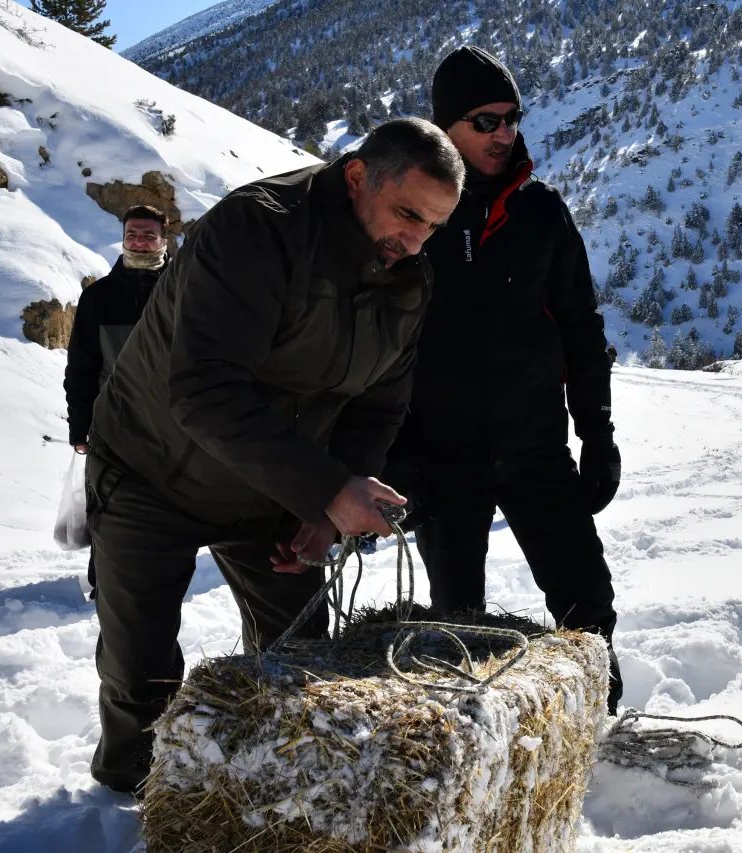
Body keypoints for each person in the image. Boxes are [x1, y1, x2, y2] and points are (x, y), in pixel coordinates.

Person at [83, 117, 464, 796]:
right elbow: (203, 390)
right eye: (407, 213)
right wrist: (325, 485)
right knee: (140, 670)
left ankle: (271, 794)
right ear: (357, 177)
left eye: (432, 226)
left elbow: (377, 405)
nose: (414, 240)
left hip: (269, 484)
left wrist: (322, 511)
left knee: (300, 656)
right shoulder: (255, 230)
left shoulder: (409, 280)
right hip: (151, 468)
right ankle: (122, 800)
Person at [383, 47, 624, 714]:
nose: (505, 134)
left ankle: (596, 734)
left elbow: (582, 331)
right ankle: (470, 765)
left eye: (512, 118)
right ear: (446, 127)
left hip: (534, 449)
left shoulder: (541, 213)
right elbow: (377, 347)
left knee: (588, 610)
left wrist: (597, 436)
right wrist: (393, 454)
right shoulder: (413, 219)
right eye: (486, 120)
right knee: (459, 625)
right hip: (442, 459)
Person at [64, 205, 169, 600]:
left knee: (172, 502)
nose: (139, 240)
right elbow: (81, 368)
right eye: (132, 234)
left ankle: (161, 575)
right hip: (115, 420)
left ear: (164, 239)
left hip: (177, 420)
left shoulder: (185, 288)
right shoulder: (99, 297)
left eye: (147, 234)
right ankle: (103, 581)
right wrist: (80, 426)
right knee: (108, 504)